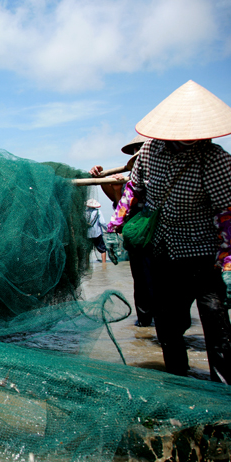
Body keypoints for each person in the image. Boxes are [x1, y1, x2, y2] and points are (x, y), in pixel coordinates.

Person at [108, 80, 231, 383]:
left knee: (217, 326)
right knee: (168, 324)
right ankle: (178, 381)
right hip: (162, 250)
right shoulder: (150, 151)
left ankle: (223, 394)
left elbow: (228, 214)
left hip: (204, 256)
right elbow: (132, 192)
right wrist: (114, 226)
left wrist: (227, 259)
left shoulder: (214, 160)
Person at [90, 136, 154, 326]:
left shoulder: (160, 175)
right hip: (137, 238)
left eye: (142, 148)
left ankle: (163, 322)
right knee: (141, 281)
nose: (140, 152)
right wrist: (108, 182)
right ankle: (144, 325)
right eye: (137, 149)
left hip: (160, 236)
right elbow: (120, 207)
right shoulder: (129, 181)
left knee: (161, 282)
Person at [85, 199, 108, 263]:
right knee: (102, 250)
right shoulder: (98, 212)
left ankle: (87, 264)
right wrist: (107, 229)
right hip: (97, 233)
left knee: (87, 250)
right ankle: (104, 264)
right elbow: (102, 222)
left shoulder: (84, 212)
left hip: (88, 234)